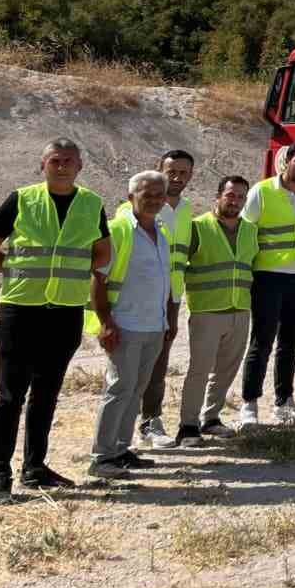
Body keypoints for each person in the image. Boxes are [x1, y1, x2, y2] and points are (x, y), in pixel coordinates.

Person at [0, 138, 111, 504]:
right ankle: (0, 474)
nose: (62, 166)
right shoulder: (21, 199)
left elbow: (102, 254)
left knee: (46, 394)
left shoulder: (92, 203)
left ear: (80, 166)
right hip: (21, 310)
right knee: (9, 395)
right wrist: (16, 273)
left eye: (69, 161)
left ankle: (35, 468)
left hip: (64, 313)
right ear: (43, 165)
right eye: (55, 160)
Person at [86, 171, 178, 479]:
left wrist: (166, 320)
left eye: (158, 195)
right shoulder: (118, 230)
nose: (153, 199)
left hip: (153, 325)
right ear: (130, 197)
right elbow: (98, 278)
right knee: (118, 389)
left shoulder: (161, 234)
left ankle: (121, 450)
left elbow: (164, 282)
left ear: (165, 200)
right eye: (145, 193)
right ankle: (101, 457)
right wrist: (106, 323)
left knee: (136, 390)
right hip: (125, 325)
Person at [238, 140, 295, 426]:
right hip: (268, 277)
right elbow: (244, 234)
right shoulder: (262, 192)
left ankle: (283, 401)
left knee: (290, 343)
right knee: (262, 341)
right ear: (287, 161)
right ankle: (249, 403)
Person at [119, 148, 195, 450]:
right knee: (128, 370)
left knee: (158, 365)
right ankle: (121, 432)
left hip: (170, 298)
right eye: (171, 171)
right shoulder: (136, 207)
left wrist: (175, 305)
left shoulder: (186, 209)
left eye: (183, 172)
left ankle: (150, 420)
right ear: (158, 169)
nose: (176, 177)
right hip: (137, 299)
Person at [175, 176, 257, 445]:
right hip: (207, 312)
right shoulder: (197, 228)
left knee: (226, 370)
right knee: (199, 370)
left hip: (239, 310)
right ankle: (188, 426)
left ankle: (211, 419)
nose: (235, 201)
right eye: (230, 195)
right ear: (219, 195)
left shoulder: (251, 230)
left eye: (240, 197)